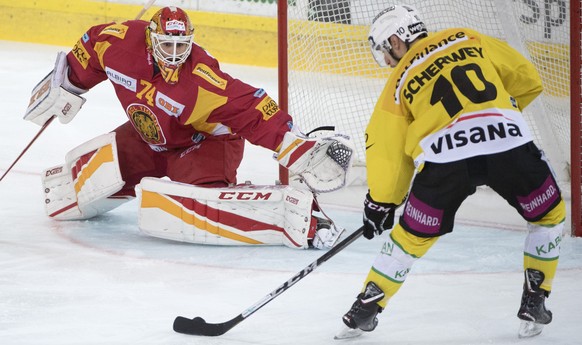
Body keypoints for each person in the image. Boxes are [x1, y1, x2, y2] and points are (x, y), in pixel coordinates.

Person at [23, 6, 354, 250]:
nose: (176, 54)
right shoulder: (120, 45)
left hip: (203, 145)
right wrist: (66, 85)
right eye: (168, 46)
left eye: (183, 47)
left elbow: (250, 107)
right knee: (72, 195)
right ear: (152, 42)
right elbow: (93, 46)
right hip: (147, 138)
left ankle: (294, 214)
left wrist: (293, 144)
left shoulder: (200, 79)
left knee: (199, 209)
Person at [338, 4, 565, 339]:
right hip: (507, 146)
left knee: (410, 238)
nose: (387, 62)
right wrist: (496, 116)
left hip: (446, 162)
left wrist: (381, 202)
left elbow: (387, 150)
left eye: (386, 52)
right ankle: (535, 296)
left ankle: (367, 305)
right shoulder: (467, 38)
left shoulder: (398, 82)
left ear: (397, 40)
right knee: (548, 215)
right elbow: (527, 77)